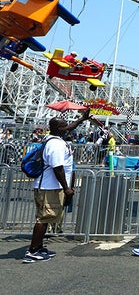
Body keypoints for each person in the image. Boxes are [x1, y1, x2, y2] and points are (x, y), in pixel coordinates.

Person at [23, 109, 90, 263]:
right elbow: (57, 168)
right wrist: (67, 188)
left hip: (49, 186)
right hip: (49, 187)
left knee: (47, 217)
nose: (68, 128)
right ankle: (33, 251)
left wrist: (81, 119)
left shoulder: (52, 138)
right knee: (44, 218)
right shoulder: (56, 144)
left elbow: (68, 128)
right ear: (58, 129)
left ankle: (38, 247)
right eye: (65, 127)